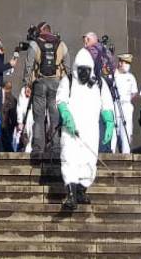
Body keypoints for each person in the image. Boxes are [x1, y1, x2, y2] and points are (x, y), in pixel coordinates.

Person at [56, 47, 114, 209]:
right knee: (70, 159)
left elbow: (107, 104)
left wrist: (109, 122)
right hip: (71, 130)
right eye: (80, 70)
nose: (83, 73)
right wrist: (66, 116)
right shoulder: (67, 80)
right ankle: (71, 195)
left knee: (89, 162)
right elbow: (61, 100)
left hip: (90, 130)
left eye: (86, 70)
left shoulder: (99, 84)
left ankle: (81, 190)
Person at [23, 22, 70, 156]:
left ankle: (38, 148)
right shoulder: (61, 44)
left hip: (39, 83)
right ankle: (56, 148)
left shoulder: (34, 44)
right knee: (55, 117)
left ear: (41, 31)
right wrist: (66, 85)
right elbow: (68, 66)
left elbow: (28, 66)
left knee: (38, 117)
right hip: (57, 84)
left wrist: (27, 84)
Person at [110, 54, 138, 153]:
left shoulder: (131, 77)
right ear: (120, 63)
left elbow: (134, 92)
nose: (127, 65)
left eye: (128, 63)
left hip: (126, 105)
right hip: (115, 104)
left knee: (126, 130)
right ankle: (112, 152)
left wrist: (126, 99)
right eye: (125, 62)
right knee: (113, 129)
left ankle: (126, 153)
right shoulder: (113, 74)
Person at [15, 85, 35, 153]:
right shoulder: (23, 91)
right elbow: (20, 107)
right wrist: (20, 121)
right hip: (26, 118)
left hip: (34, 117)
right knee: (26, 136)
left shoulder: (39, 88)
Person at [0, 80, 17, 152]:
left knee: (2, 141)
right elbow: (14, 113)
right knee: (8, 139)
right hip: (9, 123)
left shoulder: (1, 97)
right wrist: (15, 123)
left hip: (3, 122)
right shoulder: (13, 99)